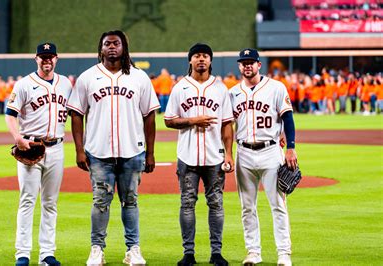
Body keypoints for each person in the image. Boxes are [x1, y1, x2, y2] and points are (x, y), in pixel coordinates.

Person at [67, 30, 159, 266]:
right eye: (107, 43)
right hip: (98, 153)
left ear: (124, 47)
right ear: (100, 48)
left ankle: (133, 249)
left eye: (116, 43)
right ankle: (97, 249)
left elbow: (150, 115)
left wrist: (150, 152)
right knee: (100, 202)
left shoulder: (139, 77)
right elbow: (76, 114)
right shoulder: (88, 77)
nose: (111, 47)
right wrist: (79, 149)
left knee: (131, 202)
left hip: (132, 151)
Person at [164, 43, 234, 266]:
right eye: (197, 56)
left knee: (216, 204)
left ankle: (216, 253)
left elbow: (227, 124)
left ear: (211, 60)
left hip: (214, 156)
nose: (201, 59)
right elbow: (168, 120)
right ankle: (189, 253)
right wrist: (192, 120)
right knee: (187, 204)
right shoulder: (180, 87)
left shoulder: (220, 88)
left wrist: (229, 154)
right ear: (190, 61)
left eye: (205, 56)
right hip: (187, 156)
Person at [5, 42, 72, 266]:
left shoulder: (65, 84)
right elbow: (10, 114)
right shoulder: (24, 84)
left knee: (50, 203)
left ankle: (47, 254)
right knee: (27, 201)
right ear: (36, 59)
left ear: (56, 59)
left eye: (50, 56)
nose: (47, 60)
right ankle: (22, 254)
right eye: (43, 57)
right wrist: (17, 138)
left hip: (57, 147)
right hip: (31, 147)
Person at [229, 49, 297, 266]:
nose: (247, 66)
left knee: (278, 205)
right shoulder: (232, 93)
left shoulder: (276, 88)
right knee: (247, 207)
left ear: (259, 65)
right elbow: (227, 127)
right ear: (239, 67)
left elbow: (288, 117)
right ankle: (253, 252)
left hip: (270, 151)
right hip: (244, 153)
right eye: (243, 63)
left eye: (251, 62)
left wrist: (291, 147)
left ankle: (284, 253)